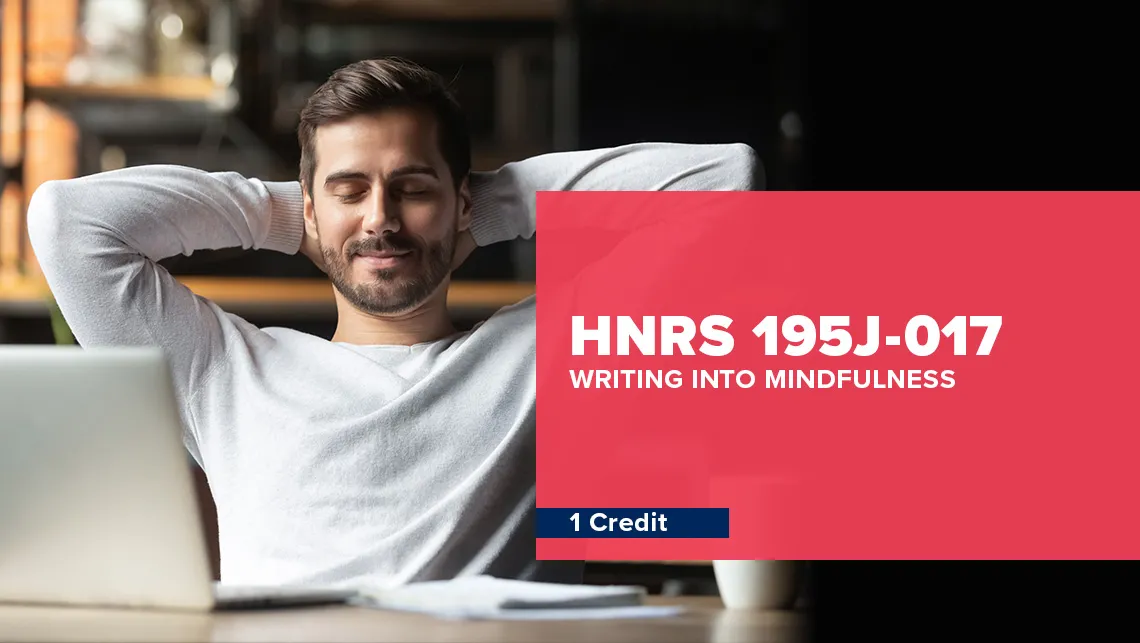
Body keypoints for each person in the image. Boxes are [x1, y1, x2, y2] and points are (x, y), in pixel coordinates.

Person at [27, 57, 763, 589]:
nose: (380, 218)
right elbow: (69, 224)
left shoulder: (541, 354)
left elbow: (730, 181)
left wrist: (489, 201)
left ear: (462, 204)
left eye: (411, 189)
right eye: (351, 190)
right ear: (311, 209)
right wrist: (291, 213)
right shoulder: (219, 370)